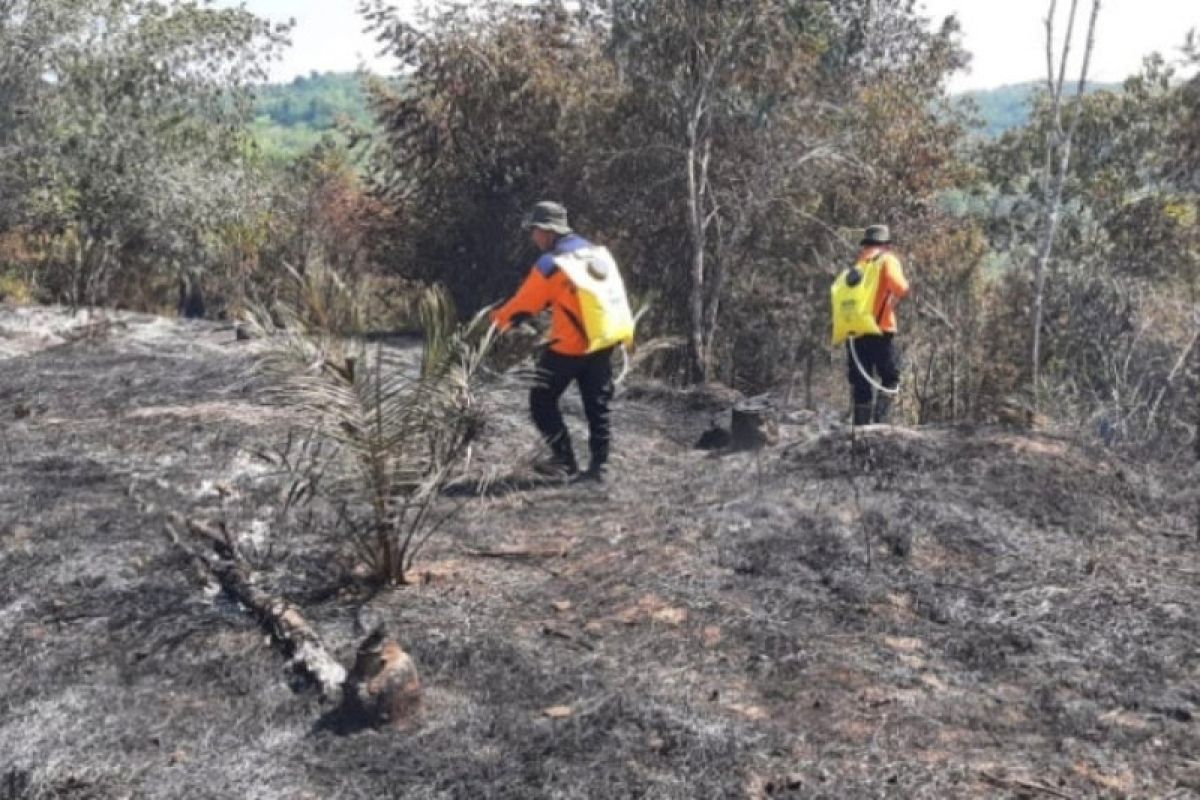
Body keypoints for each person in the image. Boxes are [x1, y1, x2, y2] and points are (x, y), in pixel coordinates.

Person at [491, 201, 625, 482]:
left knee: (541, 401)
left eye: (535, 230)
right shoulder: (595, 253)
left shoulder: (552, 264)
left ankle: (565, 462)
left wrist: (494, 323)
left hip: (568, 347)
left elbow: (524, 305)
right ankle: (600, 467)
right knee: (597, 406)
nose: (533, 237)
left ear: (548, 231)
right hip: (603, 341)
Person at [845, 224, 909, 425]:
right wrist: (894, 300)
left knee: (861, 382)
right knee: (890, 378)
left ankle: (861, 428)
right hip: (880, 330)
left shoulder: (859, 263)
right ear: (886, 245)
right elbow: (902, 287)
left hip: (854, 332)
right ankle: (881, 425)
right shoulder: (887, 260)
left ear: (866, 244)